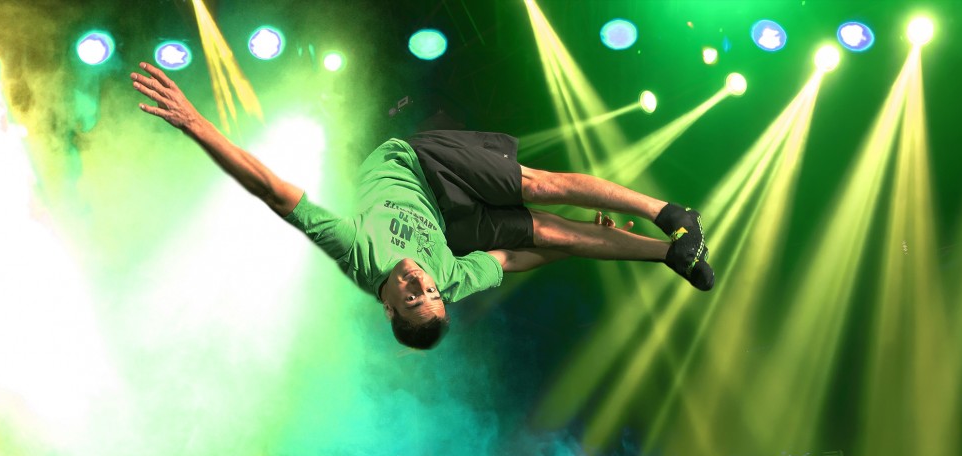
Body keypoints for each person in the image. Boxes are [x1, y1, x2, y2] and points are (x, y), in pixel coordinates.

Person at [130, 62, 713, 350]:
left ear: (388, 309)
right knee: (548, 234)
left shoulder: (358, 255)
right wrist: (574, 245)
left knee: (535, 187)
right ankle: (670, 250)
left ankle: (668, 210)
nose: (421, 284)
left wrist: (197, 124)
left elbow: (273, 190)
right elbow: (511, 262)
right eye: (429, 293)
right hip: (454, 221)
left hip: (414, 165)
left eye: (412, 297)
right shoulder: (451, 281)